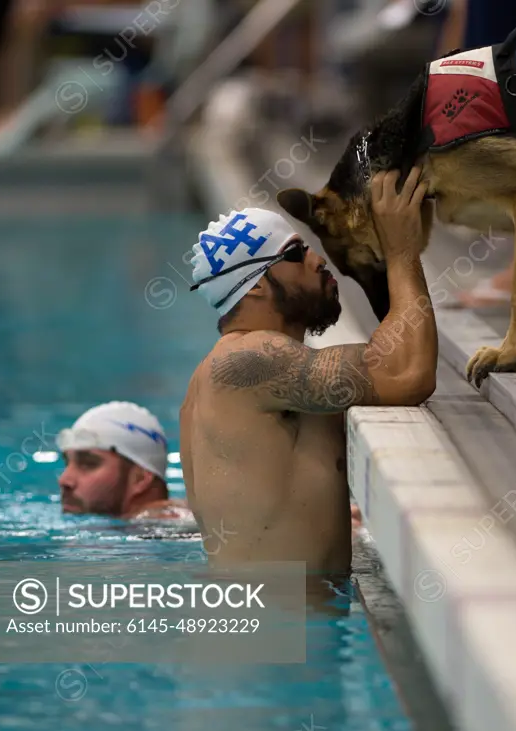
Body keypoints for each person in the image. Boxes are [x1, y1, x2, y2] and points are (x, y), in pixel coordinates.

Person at [180, 167, 437, 577]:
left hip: (276, 625)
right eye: (296, 253)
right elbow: (407, 369)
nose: (318, 259)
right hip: (279, 632)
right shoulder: (251, 358)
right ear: (257, 285)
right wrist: (402, 249)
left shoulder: (213, 377)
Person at [56, 401, 188, 520]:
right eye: (67, 463)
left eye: (88, 464)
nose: (64, 480)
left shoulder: (174, 522)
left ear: (140, 478)